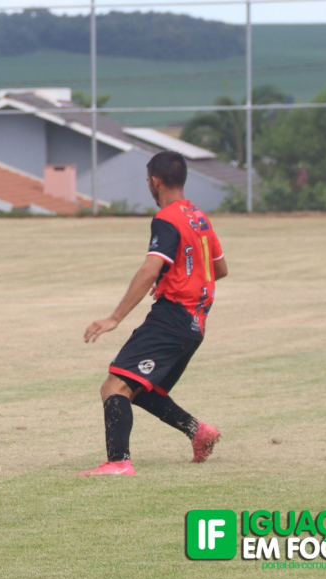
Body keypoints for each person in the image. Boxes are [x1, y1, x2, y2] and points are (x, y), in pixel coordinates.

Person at [78, 151, 228, 476]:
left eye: (147, 180)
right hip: (195, 325)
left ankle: (118, 462)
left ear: (154, 181)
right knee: (143, 390)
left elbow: (149, 268)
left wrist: (114, 317)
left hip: (171, 318)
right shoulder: (198, 217)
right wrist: (177, 277)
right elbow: (220, 268)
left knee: (114, 387)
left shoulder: (167, 218)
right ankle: (198, 432)